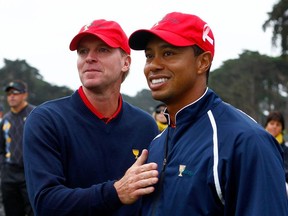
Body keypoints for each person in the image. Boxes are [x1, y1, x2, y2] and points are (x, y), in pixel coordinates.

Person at [128, 11, 288, 215]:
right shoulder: (157, 144)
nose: (153, 65)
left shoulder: (246, 141)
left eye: (168, 53)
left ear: (202, 62)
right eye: (149, 56)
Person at [23, 19, 159, 216]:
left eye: (103, 49)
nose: (89, 58)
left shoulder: (145, 125)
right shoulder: (46, 120)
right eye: (83, 51)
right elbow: (46, 203)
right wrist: (116, 192)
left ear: (125, 62)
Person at [0, 80, 35, 216]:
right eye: (9, 94)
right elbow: (1, 148)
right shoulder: (5, 119)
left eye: (15, 92)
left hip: (30, 173)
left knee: (34, 211)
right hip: (9, 175)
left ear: (25, 95)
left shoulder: (35, 114)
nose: (12, 96)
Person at [265, 111, 288, 182]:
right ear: (266, 125)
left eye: (278, 125)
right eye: (272, 123)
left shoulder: (285, 149)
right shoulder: (257, 142)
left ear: (282, 128)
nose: (274, 127)